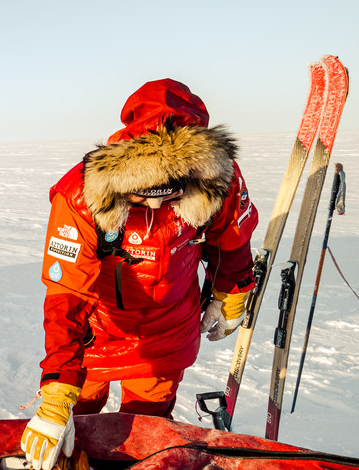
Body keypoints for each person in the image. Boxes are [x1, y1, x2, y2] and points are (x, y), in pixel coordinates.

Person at [20, 79, 259, 470]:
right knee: (76, 429)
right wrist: (58, 394)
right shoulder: (81, 194)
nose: (153, 203)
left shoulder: (219, 179)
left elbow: (230, 240)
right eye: (143, 192)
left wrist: (230, 293)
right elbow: (67, 293)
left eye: (170, 193)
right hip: (95, 336)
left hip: (167, 334)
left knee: (145, 436)